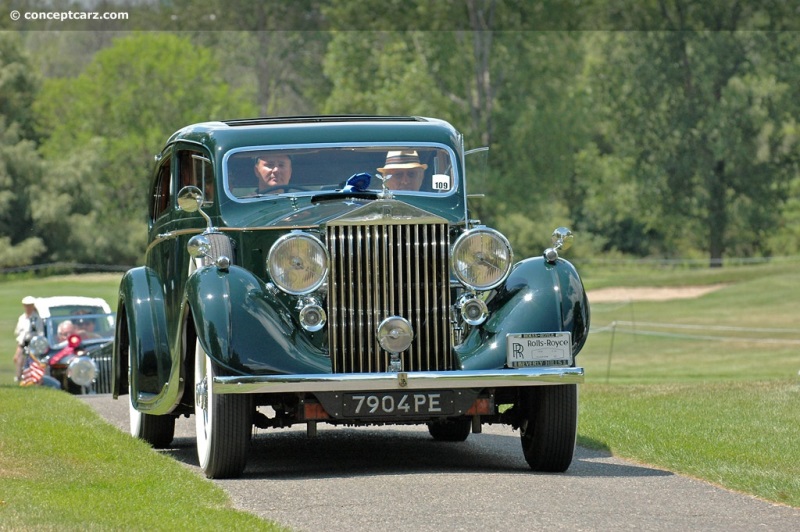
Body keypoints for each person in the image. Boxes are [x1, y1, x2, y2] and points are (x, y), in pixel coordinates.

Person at [13, 296, 41, 382]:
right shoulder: (22, 318)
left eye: (29, 305)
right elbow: (19, 333)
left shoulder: (37, 318)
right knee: (19, 359)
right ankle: (19, 377)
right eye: (26, 305)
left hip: (34, 343)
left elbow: (40, 332)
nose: (28, 307)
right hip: (23, 343)